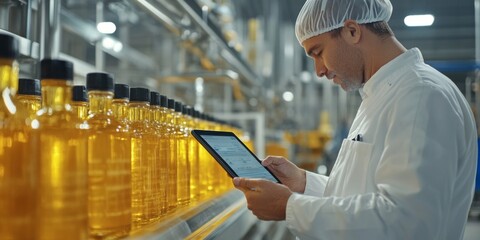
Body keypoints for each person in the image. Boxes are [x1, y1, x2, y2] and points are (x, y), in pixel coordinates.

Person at [232, 0, 478, 239]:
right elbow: (364, 192)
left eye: (318, 52)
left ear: (351, 31)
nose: (319, 70)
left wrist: (289, 207)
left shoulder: (421, 95)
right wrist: (304, 184)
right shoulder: (381, 94)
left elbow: (406, 222)